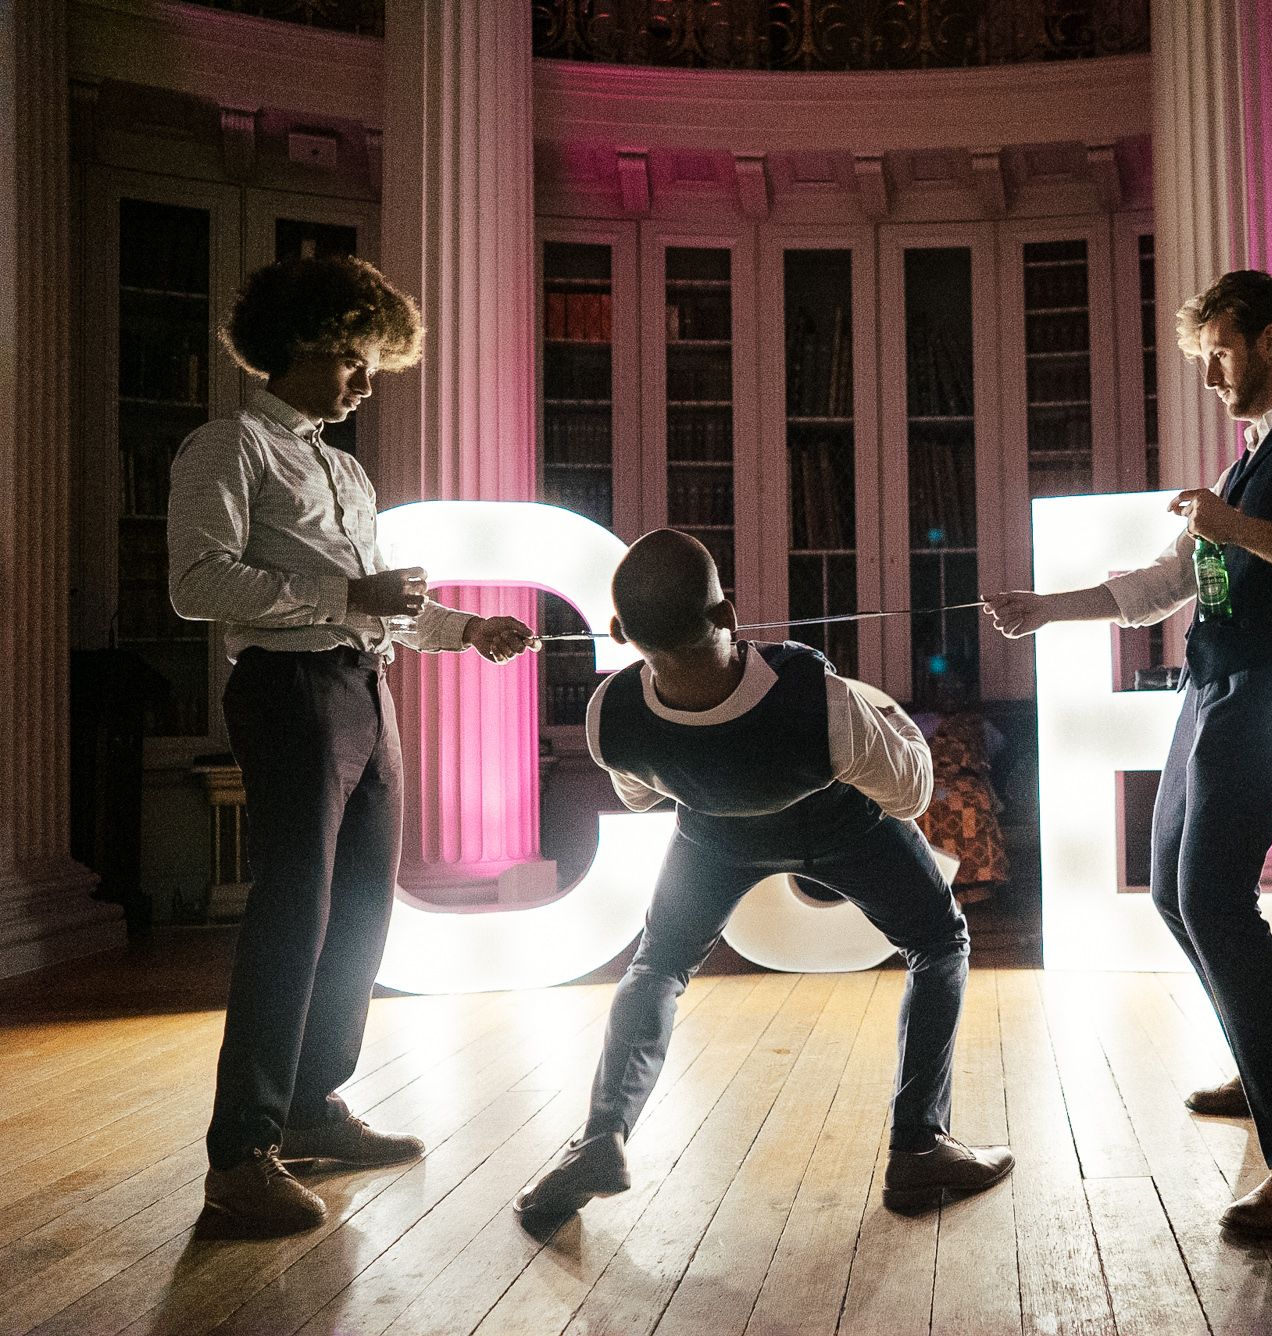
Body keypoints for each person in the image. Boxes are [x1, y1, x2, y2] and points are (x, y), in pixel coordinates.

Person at [986, 269, 1272, 1237]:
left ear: (1265, 338)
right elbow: (1167, 584)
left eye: (1215, 348)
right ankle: (1266, 1075)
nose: (1208, 371)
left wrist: (1235, 523)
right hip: (1210, 691)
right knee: (1176, 894)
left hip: (1266, 689)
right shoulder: (1250, 460)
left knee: (1213, 899)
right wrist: (1047, 610)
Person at [168, 255, 533, 1234]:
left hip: (366, 692)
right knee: (294, 912)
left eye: (371, 361)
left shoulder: (344, 468)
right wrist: (347, 599)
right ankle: (239, 1154)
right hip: (289, 692)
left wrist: (469, 631)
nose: (365, 380)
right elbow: (197, 585)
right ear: (296, 341)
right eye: (351, 358)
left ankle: (311, 1106)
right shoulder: (227, 447)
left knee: (364, 910)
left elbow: (386, 609)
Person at [515, 530, 1012, 1220]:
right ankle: (920, 1148)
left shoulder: (609, 715)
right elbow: (909, 795)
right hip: (849, 835)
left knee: (657, 966)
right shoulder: (819, 694)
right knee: (938, 943)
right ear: (727, 616)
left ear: (620, 631)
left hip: (713, 842)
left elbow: (642, 793)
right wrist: (896, 729)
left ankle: (600, 1138)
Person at [912, 671, 1010, 904]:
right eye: (943, 690)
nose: (949, 695)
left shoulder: (977, 724)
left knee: (971, 804)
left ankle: (974, 884)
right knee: (926, 809)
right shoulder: (919, 722)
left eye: (955, 690)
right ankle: (933, 882)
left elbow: (995, 752)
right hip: (929, 785)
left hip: (967, 785)